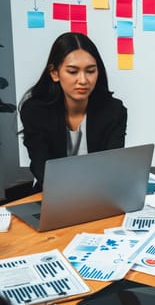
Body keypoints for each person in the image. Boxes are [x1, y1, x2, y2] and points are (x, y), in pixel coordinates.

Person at [19, 32, 127, 191]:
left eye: (90, 71)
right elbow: (43, 170)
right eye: (72, 71)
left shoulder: (114, 111)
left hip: (99, 193)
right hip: (53, 193)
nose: (83, 80)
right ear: (54, 73)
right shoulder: (35, 112)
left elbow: (113, 169)